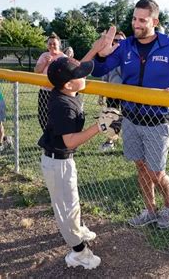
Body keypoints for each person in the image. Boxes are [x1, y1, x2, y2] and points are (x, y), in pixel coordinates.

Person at [84, 0, 169, 229]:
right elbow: (101, 69)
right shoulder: (126, 46)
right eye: (134, 18)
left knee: (156, 172)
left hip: (157, 119)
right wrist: (102, 53)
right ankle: (150, 210)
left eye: (142, 20)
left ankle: (168, 205)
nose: (136, 24)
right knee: (141, 167)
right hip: (131, 118)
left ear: (154, 21)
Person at [37, 57, 121, 269]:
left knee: (72, 202)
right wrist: (99, 127)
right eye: (80, 75)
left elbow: (79, 68)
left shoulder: (68, 92)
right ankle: (78, 252)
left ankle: (78, 230)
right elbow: (70, 140)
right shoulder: (63, 105)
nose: (85, 76)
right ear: (68, 84)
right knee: (66, 209)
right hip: (58, 163)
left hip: (62, 161)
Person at [99, 31, 126, 152]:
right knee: (111, 118)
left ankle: (130, 144)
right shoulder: (108, 58)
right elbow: (104, 78)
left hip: (128, 94)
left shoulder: (130, 57)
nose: (118, 43)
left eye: (121, 41)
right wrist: (101, 95)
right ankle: (110, 141)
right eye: (115, 40)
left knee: (130, 120)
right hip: (112, 94)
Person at [34, 33, 67, 131]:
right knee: (43, 116)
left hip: (58, 92)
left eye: (54, 43)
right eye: (49, 43)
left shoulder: (63, 57)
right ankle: (47, 136)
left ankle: (56, 138)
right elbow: (36, 70)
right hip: (44, 91)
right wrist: (46, 63)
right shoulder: (44, 55)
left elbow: (65, 75)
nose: (52, 46)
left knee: (56, 116)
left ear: (59, 45)